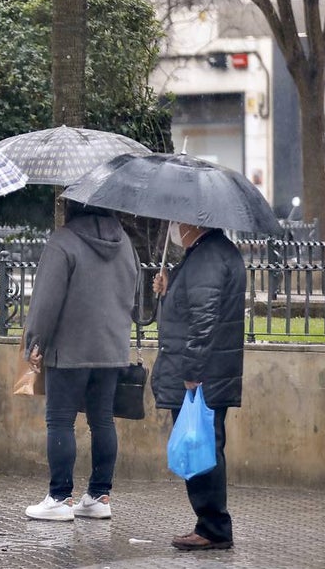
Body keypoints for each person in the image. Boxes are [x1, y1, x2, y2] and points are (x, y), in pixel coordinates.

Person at [21, 202, 137, 521]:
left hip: (69, 349)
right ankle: (99, 496)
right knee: (102, 421)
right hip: (112, 349)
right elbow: (133, 294)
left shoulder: (63, 241)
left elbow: (46, 300)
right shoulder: (125, 242)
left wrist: (35, 340)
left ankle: (60, 498)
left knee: (60, 421)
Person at [152, 221, 245, 551]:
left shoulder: (208, 256)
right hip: (212, 370)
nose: (175, 227)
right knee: (205, 446)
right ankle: (211, 524)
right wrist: (170, 287)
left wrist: (191, 371)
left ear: (193, 222)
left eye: (179, 221)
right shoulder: (210, 253)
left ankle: (213, 527)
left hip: (202, 374)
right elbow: (192, 306)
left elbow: (204, 319)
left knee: (202, 448)